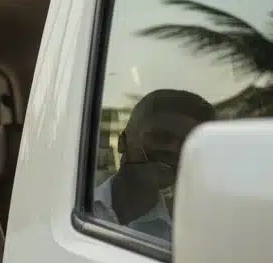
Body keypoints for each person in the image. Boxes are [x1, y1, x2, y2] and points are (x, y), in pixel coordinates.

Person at [92, 88, 215, 241]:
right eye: (161, 137)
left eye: (187, 144)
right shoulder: (71, 205)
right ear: (122, 142)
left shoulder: (182, 239)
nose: (173, 150)